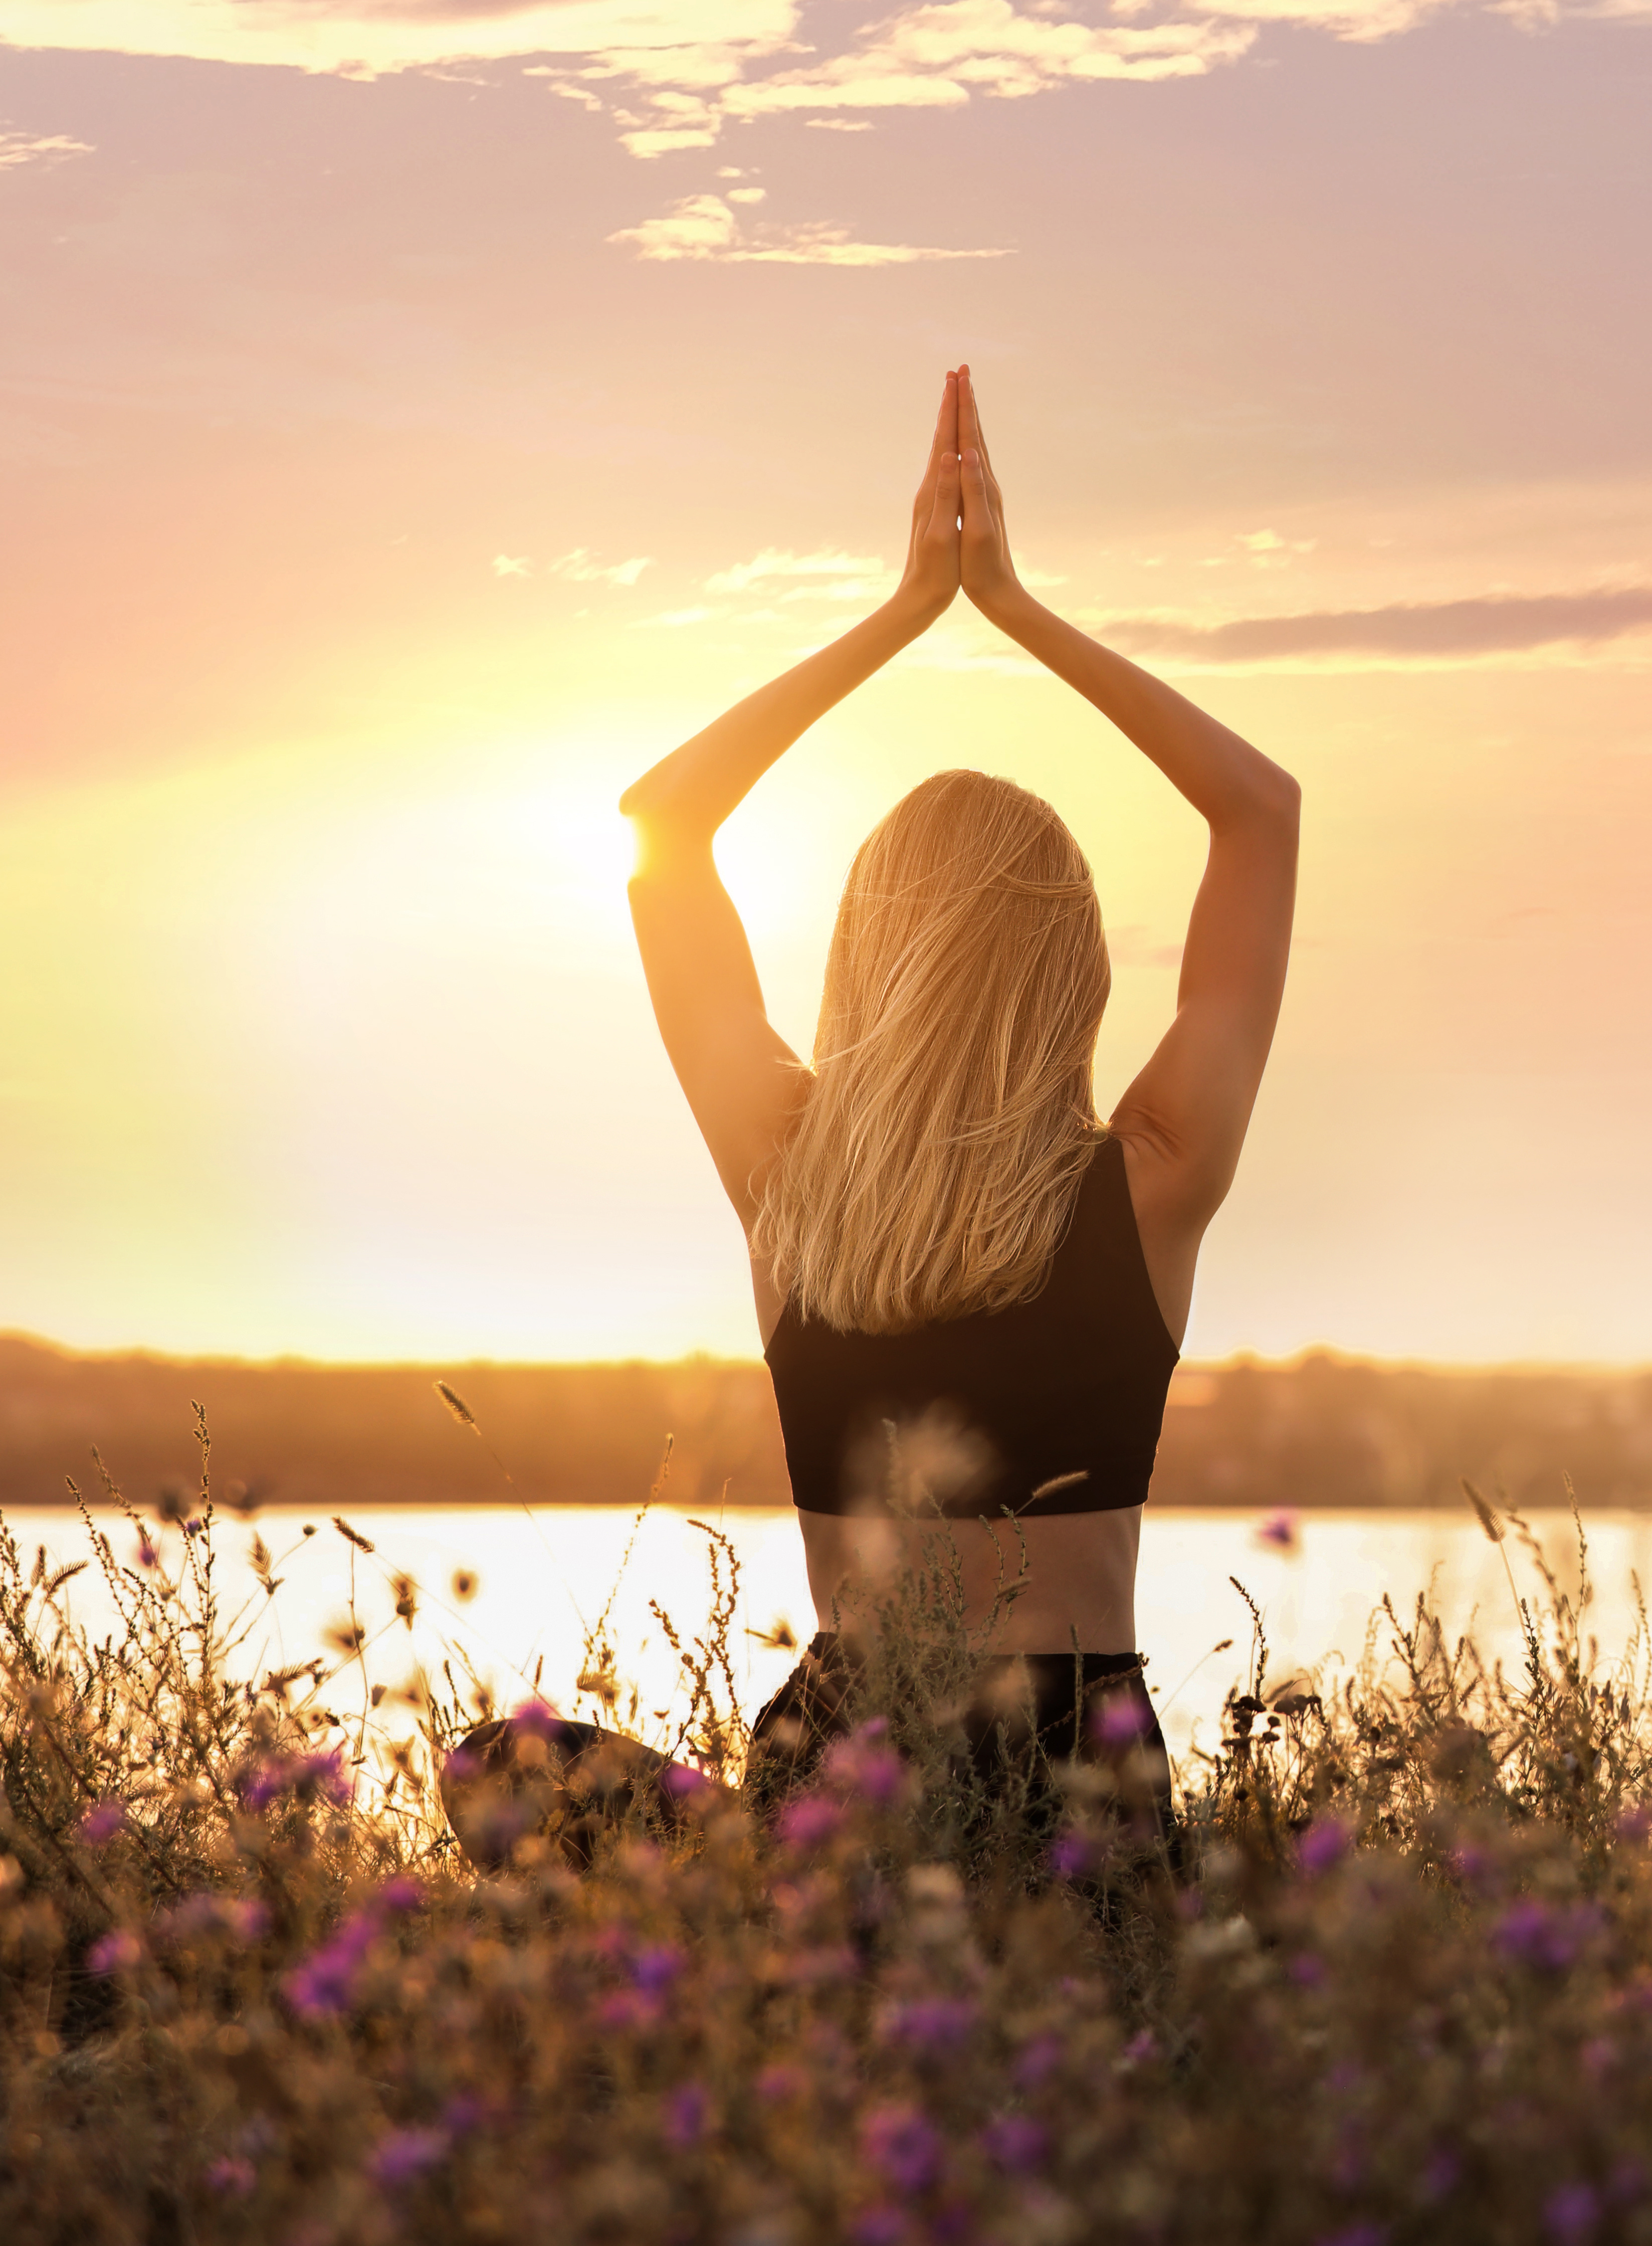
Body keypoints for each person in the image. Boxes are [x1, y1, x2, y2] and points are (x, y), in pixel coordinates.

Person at [440, 368, 1298, 1871]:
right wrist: (1011, 609)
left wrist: (903, 614)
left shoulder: (790, 1183)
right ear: (1073, 977)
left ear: (864, 960)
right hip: (1073, 1787)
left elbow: (664, 825)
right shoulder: (1151, 1182)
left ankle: (748, 1965)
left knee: (504, 1767)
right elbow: (1261, 815)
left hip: (837, 1783)